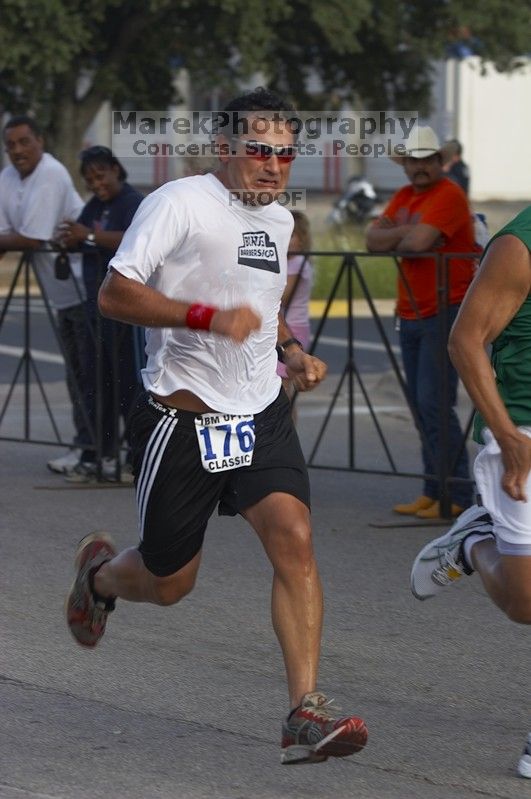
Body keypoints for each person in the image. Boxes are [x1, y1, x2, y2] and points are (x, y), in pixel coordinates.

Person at [65, 87, 368, 765]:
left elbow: (260, 313)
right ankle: (102, 577)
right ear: (225, 146)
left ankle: (303, 709)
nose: (273, 165)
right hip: (184, 416)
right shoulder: (177, 204)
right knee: (170, 582)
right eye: (259, 150)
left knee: (294, 536)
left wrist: (291, 353)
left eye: (286, 154)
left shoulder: (281, 222)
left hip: (259, 412)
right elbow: (116, 293)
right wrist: (201, 317)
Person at [410, 205, 531, 778]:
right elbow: (466, 341)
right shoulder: (518, 246)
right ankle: (474, 543)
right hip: (524, 434)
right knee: (525, 602)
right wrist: (507, 436)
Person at [366, 126, 476, 519]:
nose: (420, 167)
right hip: (412, 309)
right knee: (420, 405)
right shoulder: (403, 196)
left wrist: (398, 234)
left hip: (445, 307)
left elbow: (414, 245)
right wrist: (409, 233)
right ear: (406, 165)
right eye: (413, 160)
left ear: (439, 162)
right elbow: (369, 240)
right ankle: (434, 489)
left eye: (427, 159)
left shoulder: (449, 195)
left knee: (434, 402)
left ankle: (458, 492)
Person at [0, 115, 88, 473]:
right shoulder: (7, 178)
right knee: (76, 372)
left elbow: (31, 237)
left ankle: (97, 451)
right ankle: (87, 448)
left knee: (89, 373)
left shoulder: (51, 173)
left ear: (41, 140)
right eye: (11, 145)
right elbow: (6, 234)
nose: (17, 151)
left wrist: (8, 239)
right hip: (61, 293)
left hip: (87, 287)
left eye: (25, 142)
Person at [59, 146, 144, 481]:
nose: (97, 184)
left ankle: (134, 458)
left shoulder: (133, 202)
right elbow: (81, 235)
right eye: (90, 179)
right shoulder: (95, 205)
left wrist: (90, 236)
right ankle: (99, 455)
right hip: (97, 309)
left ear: (115, 169)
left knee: (128, 386)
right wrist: (70, 240)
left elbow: (133, 240)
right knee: (98, 386)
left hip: (126, 311)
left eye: (101, 175)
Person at [277, 210, 313, 407]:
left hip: (292, 329)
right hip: (290, 326)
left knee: (282, 389)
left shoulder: (296, 263)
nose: (285, 240)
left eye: (291, 236)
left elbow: (283, 297)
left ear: (302, 240)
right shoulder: (289, 262)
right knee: (285, 392)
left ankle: (283, 432)